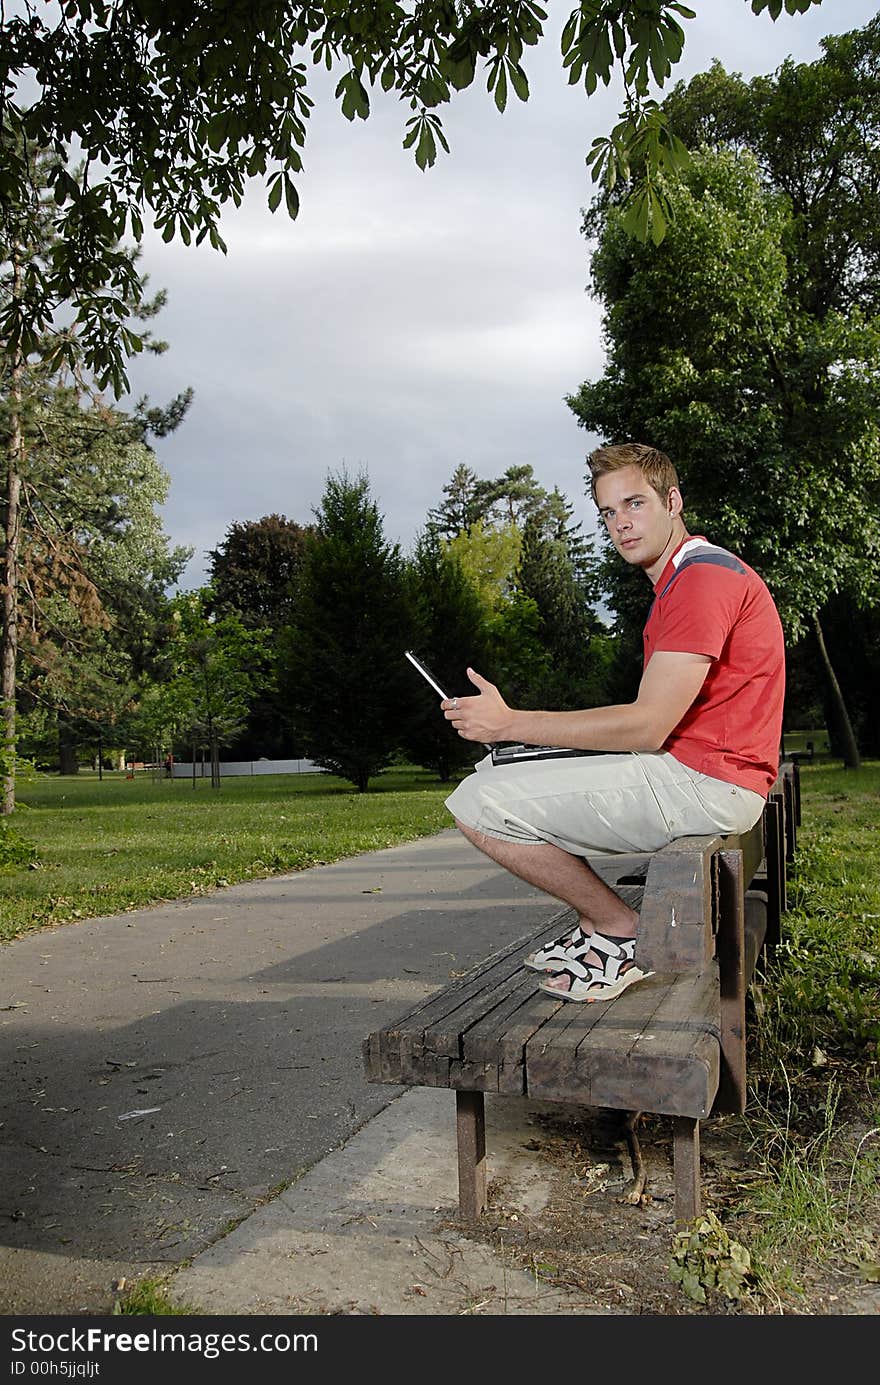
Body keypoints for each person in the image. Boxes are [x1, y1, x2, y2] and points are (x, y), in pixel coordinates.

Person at [442, 443, 785, 1004]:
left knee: (478, 802)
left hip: (709, 782)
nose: (621, 523)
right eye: (608, 512)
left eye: (635, 503)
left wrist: (511, 722)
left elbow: (646, 726)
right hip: (707, 770)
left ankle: (619, 930)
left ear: (672, 501)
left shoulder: (700, 581)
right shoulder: (688, 576)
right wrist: (513, 737)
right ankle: (597, 926)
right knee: (498, 767)